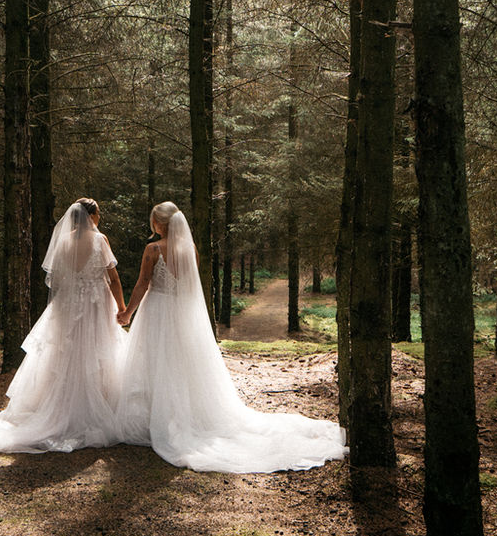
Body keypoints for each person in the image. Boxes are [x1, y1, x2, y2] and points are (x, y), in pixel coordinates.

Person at [116, 201, 346, 472]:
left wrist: (128, 313)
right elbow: (191, 287)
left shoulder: (153, 249)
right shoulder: (190, 249)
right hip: (181, 314)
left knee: (155, 360)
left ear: (158, 223)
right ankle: (181, 415)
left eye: (153, 221)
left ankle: (156, 419)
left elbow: (143, 283)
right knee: (181, 363)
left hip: (157, 312)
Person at [0, 198, 128, 453]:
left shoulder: (63, 241)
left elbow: (59, 279)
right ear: (91, 216)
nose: (100, 218)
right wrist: (121, 307)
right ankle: (99, 405)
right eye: (98, 214)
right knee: (97, 351)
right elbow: (113, 277)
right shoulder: (99, 240)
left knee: (66, 354)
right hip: (97, 304)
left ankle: (63, 406)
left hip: (68, 305)